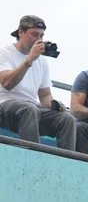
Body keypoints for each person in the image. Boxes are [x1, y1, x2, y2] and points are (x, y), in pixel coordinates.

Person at [0, 15, 77, 150]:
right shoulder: (5, 53)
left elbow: (45, 95)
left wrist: (54, 104)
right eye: (34, 34)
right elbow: (7, 83)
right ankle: (33, 158)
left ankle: (66, 164)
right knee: (29, 109)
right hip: (5, 106)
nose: (38, 40)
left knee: (67, 119)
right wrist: (28, 60)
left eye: (41, 36)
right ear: (20, 32)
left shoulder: (42, 61)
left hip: (31, 110)